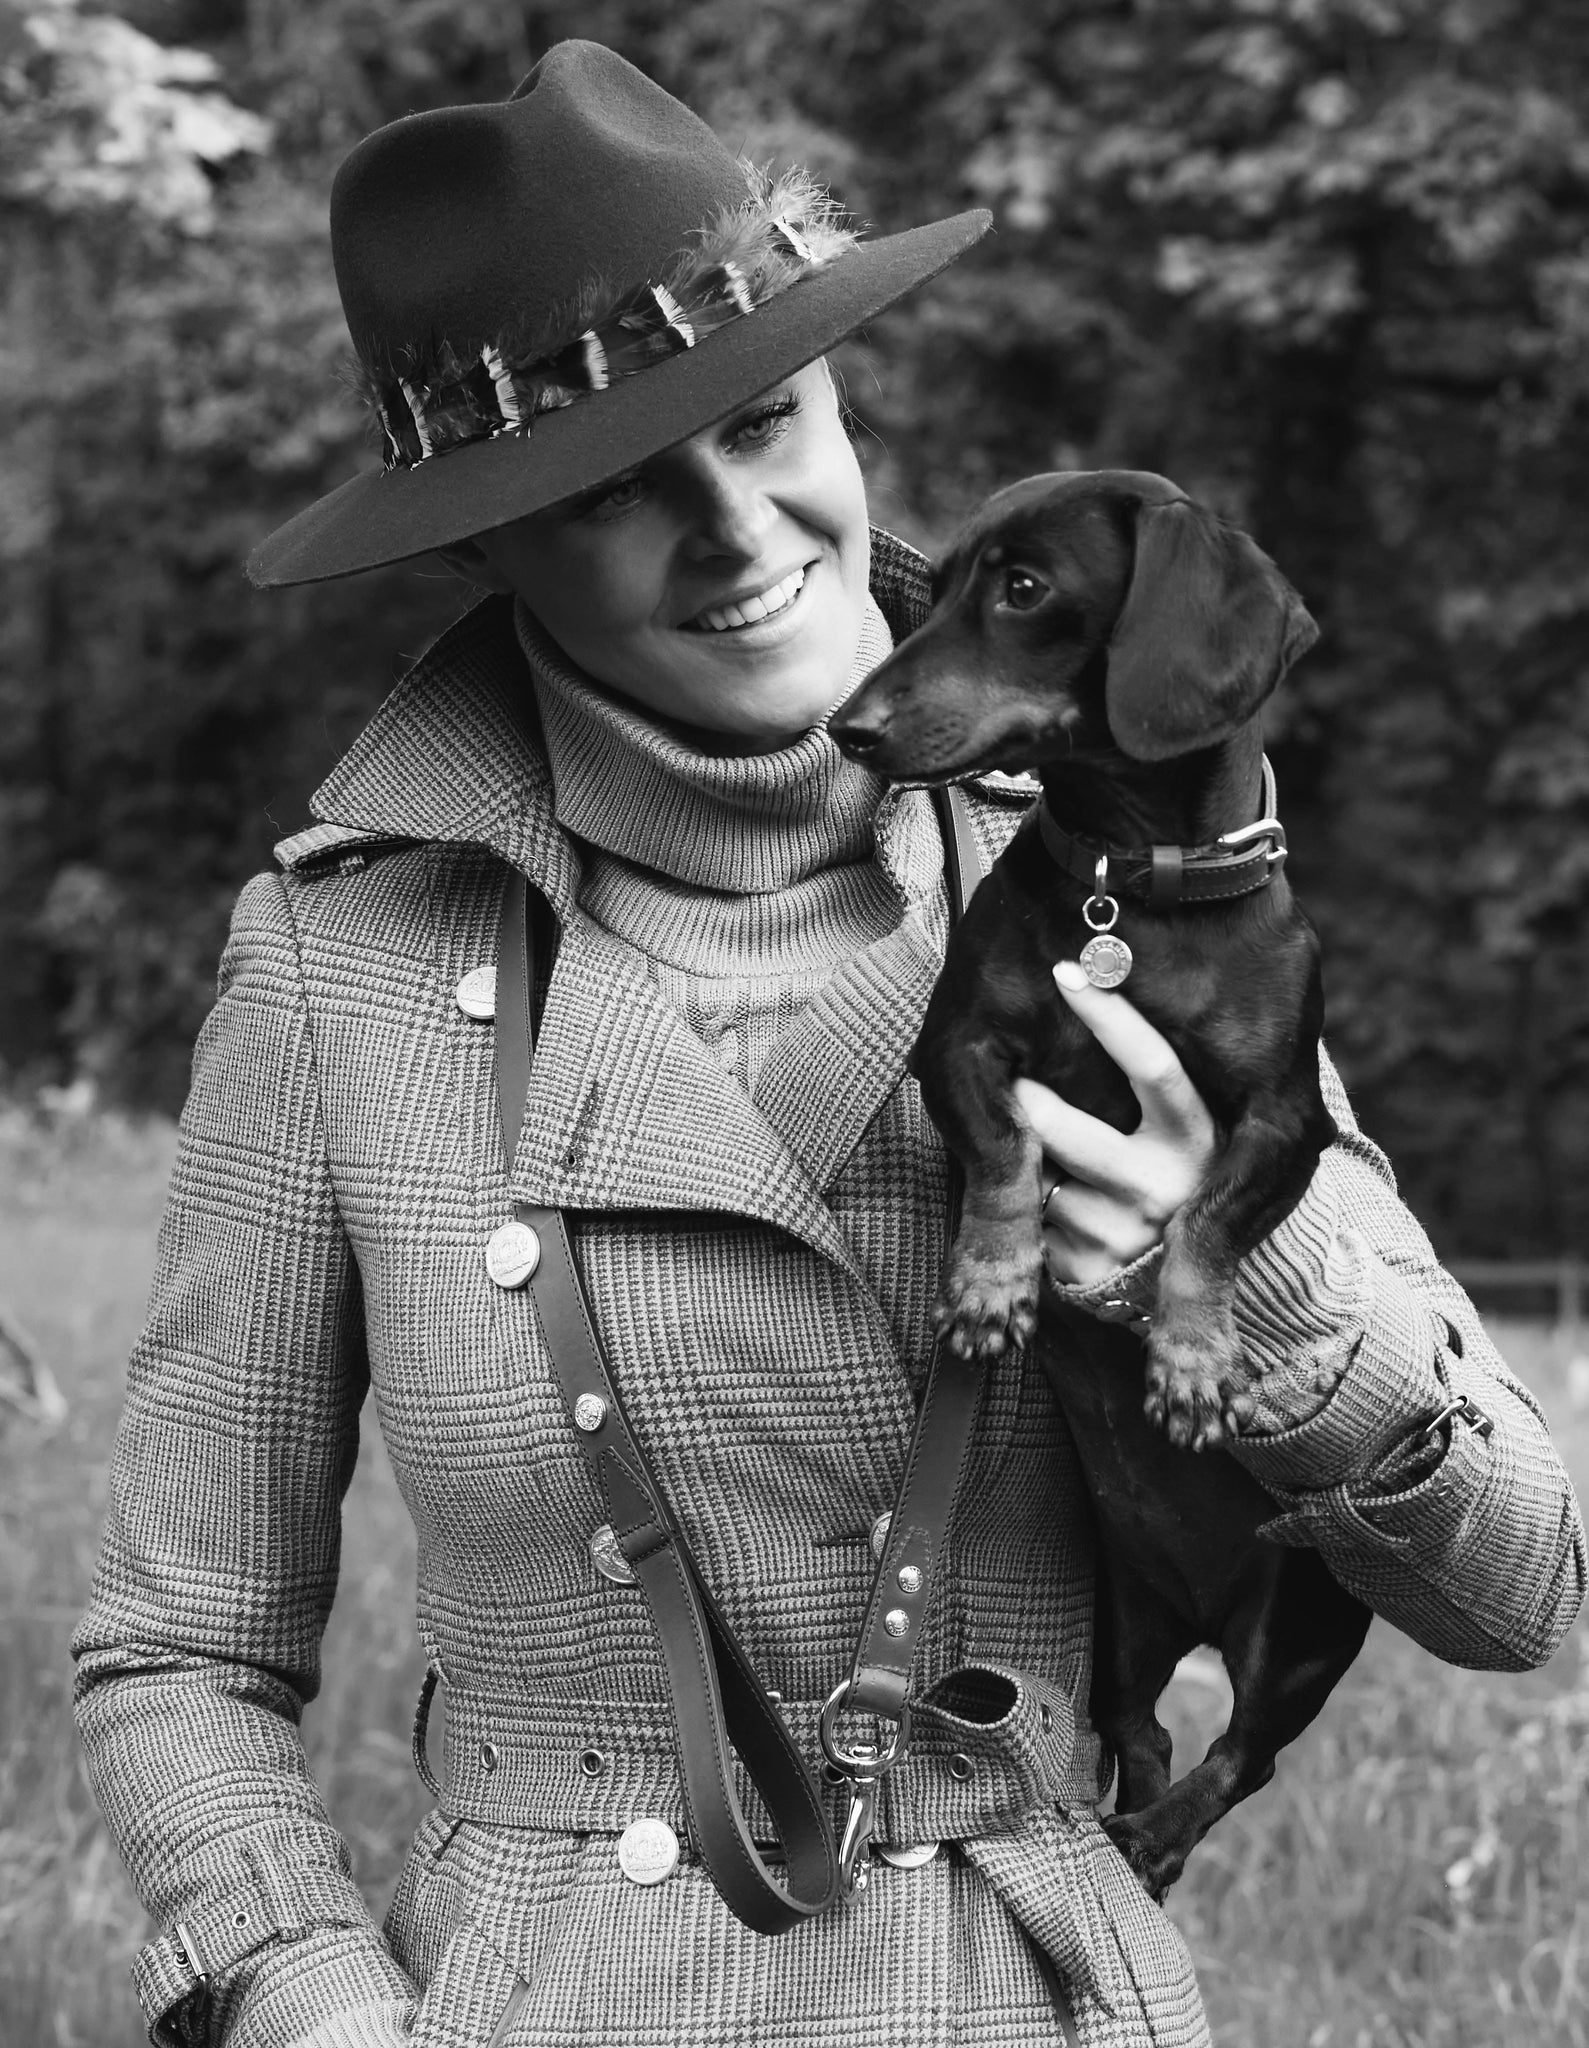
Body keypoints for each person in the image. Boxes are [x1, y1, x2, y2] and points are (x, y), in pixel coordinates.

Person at [73, 39, 1584, 2048]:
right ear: (484, 540)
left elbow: (1518, 1582)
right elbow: (171, 1647)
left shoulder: (1130, 877)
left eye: (769, 415)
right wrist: (316, 2011)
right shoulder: (340, 960)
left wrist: (1249, 1264)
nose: (733, 525)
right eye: (617, 490)